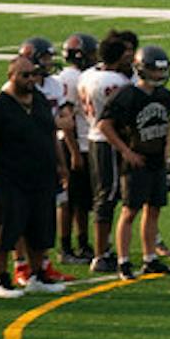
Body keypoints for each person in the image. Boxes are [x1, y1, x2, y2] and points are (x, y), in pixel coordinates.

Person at [0, 55, 66, 299]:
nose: (30, 79)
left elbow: (50, 133)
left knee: (40, 229)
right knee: (5, 230)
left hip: (41, 177)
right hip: (9, 179)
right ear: (11, 76)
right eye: (24, 75)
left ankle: (37, 275)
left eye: (33, 74)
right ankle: (2, 280)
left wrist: (61, 165)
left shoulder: (38, 100)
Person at [101, 44, 170, 280]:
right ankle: (123, 262)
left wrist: (167, 152)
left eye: (162, 71)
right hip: (136, 161)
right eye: (155, 71)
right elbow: (104, 125)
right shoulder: (127, 95)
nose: (159, 75)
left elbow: (167, 124)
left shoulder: (163, 96)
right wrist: (126, 151)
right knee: (130, 211)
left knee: (154, 209)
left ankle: (150, 258)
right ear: (141, 69)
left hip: (156, 159)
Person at [14, 36, 77, 289]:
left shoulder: (53, 85)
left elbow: (64, 122)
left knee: (44, 213)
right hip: (20, 157)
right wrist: (54, 123)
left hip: (46, 152)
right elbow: (26, 125)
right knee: (19, 214)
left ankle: (42, 264)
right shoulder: (15, 89)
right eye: (45, 58)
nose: (49, 63)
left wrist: (62, 161)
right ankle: (20, 264)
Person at [76, 30, 136, 275]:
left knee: (107, 196)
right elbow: (115, 119)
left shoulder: (89, 74)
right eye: (127, 53)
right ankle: (101, 254)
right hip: (108, 140)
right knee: (107, 197)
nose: (131, 58)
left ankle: (106, 249)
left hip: (94, 137)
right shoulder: (115, 83)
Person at [59, 32, 100, 266]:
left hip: (85, 143)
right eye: (92, 53)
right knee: (68, 200)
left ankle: (83, 243)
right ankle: (65, 248)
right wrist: (73, 151)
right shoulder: (69, 78)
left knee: (83, 202)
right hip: (72, 144)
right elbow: (66, 118)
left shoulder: (84, 75)